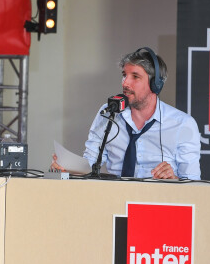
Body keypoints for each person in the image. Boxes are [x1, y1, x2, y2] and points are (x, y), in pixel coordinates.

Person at [52, 47, 201, 180]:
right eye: (124, 75)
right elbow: (91, 164)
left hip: (159, 202)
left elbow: (193, 182)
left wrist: (174, 179)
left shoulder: (183, 124)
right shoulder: (108, 112)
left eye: (135, 76)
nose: (125, 83)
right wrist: (68, 169)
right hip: (115, 198)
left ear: (155, 84)